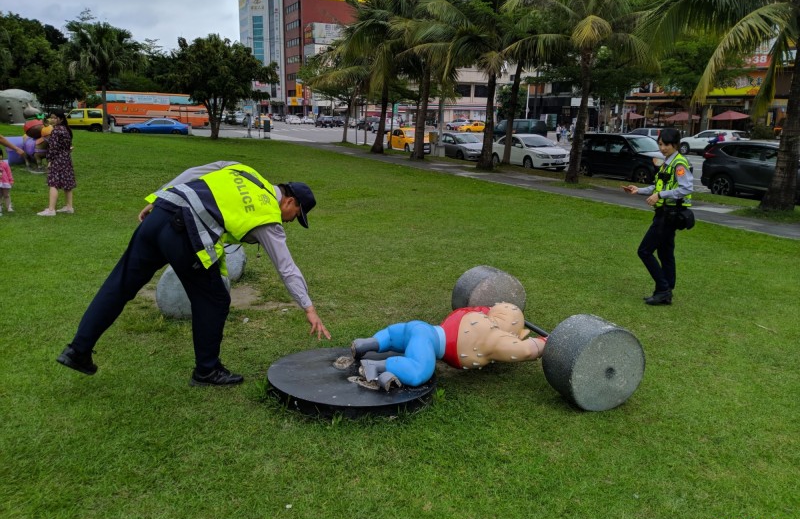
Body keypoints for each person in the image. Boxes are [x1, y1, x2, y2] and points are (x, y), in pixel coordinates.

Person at [56, 160, 331, 386]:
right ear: (290, 201)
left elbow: (194, 173)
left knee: (121, 283)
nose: (291, 220)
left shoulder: (243, 170)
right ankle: (207, 371)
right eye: (296, 215)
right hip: (184, 233)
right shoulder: (267, 214)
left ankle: (77, 350)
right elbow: (286, 267)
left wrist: (159, 195)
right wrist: (308, 308)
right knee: (215, 299)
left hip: (162, 211)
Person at [349, 302, 546, 391]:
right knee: (419, 372)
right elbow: (527, 350)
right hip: (427, 343)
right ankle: (378, 366)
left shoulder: (474, 312)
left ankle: (368, 343)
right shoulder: (493, 337)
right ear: (515, 333)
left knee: (392, 336)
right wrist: (546, 342)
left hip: (420, 327)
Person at [622, 127, 693, 305]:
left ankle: (663, 289)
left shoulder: (679, 164)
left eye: (667, 145)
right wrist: (638, 190)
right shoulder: (667, 162)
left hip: (669, 215)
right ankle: (666, 291)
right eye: (660, 144)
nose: (663, 148)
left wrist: (660, 196)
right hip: (664, 213)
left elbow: (686, 188)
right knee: (665, 253)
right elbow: (657, 187)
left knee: (644, 251)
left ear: (675, 145)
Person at [37, 110, 76, 216]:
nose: (52, 120)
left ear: (61, 119)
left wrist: (50, 160)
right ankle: (69, 207)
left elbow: (53, 148)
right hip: (66, 159)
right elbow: (68, 146)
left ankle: (51, 210)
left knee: (53, 183)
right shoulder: (66, 130)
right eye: (51, 117)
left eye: (54, 118)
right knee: (67, 183)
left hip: (58, 159)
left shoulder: (56, 130)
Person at [0, 135, 24, 215]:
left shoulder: (4, 164)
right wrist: (16, 149)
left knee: (6, 195)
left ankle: (8, 206)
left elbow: (8, 172)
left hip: (5, 182)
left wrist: (10, 180)